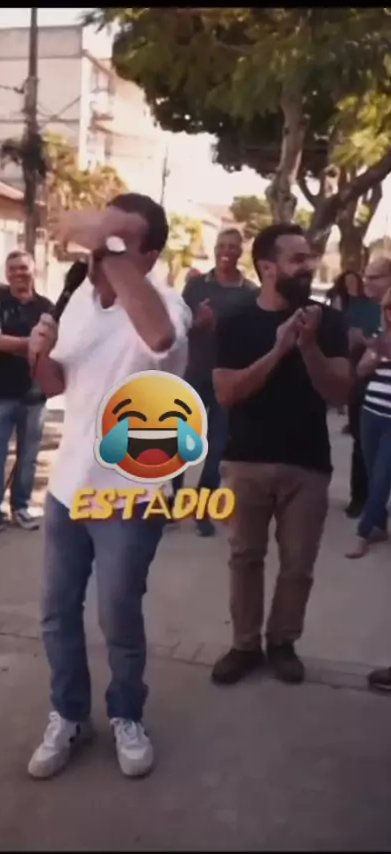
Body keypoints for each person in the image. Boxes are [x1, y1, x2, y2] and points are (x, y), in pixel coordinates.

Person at [27, 194, 190, 780]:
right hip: (68, 488)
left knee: (117, 615)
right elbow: (54, 385)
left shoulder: (165, 305)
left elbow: (160, 339)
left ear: (149, 255)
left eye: (119, 242)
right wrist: (37, 355)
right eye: (99, 240)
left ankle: (126, 714)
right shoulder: (78, 304)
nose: (99, 252)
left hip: (129, 495)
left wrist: (104, 241)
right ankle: (69, 714)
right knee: (56, 612)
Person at [210, 224, 350, 686]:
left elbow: (339, 391)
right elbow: (228, 392)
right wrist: (278, 350)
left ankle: (283, 643)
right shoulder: (235, 321)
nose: (308, 267)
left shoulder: (328, 323)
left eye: (309, 257)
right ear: (267, 267)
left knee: (298, 565)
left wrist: (308, 347)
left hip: (307, 464)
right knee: (244, 557)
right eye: (297, 259)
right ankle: (245, 645)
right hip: (246, 461)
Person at [172, 228, 257, 537]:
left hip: (227, 378)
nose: (226, 251)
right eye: (222, 245)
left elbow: (253, 336)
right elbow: (178, 327)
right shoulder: (196, 286)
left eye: (233, 246)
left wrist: (221, 326)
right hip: (193, 373)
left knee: (217, 445)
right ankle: (176, 501)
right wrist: (198, 324)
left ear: (240, 252)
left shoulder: (250, 293)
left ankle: (202, 507)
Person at [0, 251, 54, 540]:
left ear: (34, 271)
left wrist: (17, 345)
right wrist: (28, 343)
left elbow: (52, 344)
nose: (19, 273)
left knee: (28, 458)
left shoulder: (46, 307)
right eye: (13, 269)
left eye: (24, 268)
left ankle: (21, 507)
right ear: (6, 273)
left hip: (34, 395)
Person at [327, 270, 382, 518]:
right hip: (357, 377)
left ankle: (374, 502)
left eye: (376, 277)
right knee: (361, 442)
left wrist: (370, 343)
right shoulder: (344, 306)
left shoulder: (377, 308)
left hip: (380, 380)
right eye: (368, 277)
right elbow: (339, 340)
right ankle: (359, 497)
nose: (368, 282)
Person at [346, 286, 391, 559]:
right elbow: (361, 370)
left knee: (382, 477)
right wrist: (374, 355)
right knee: (373, 472)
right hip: (371, 412)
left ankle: (362, 533)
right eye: (388, 308)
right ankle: (379, 525)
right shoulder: (380, 336)